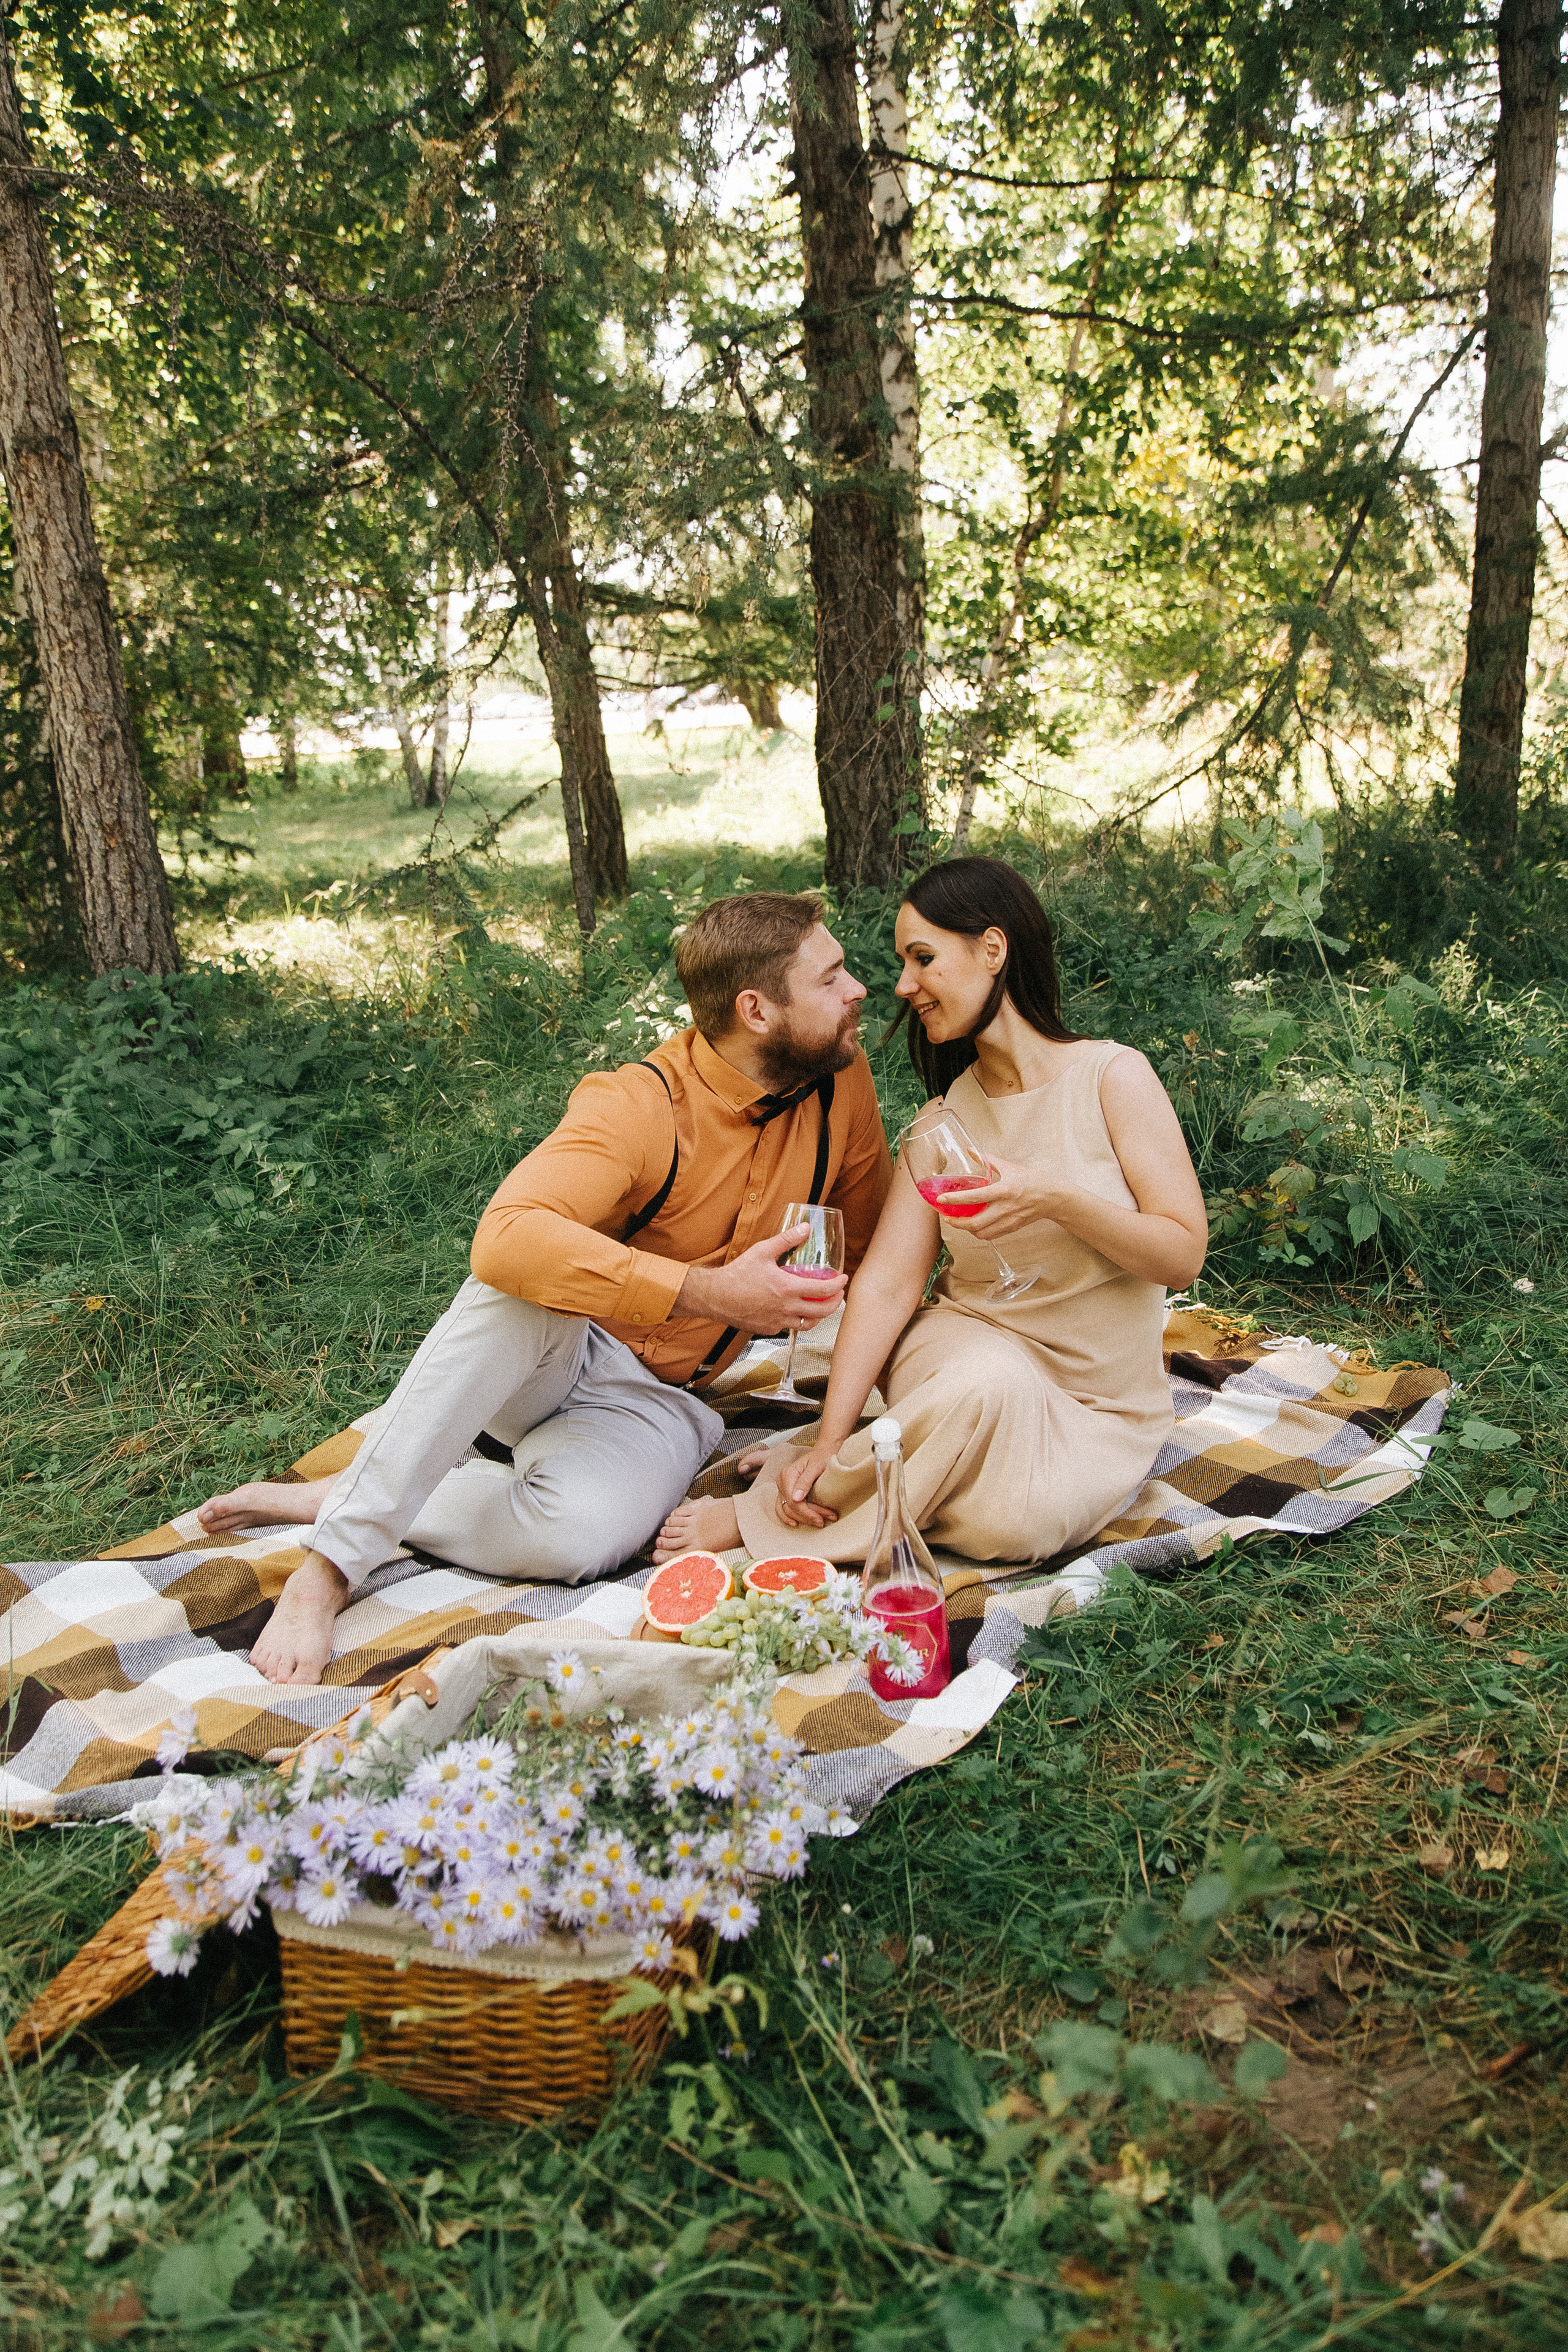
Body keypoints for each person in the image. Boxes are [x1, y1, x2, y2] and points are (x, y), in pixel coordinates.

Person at [200, 892, 892, 1683]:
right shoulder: (640, 1105)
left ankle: (354, 1494)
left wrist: (831, 1442)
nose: (858, 990)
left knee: (580, 1539)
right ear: (757, 1011)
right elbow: (503, 1236)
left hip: (662, 1398)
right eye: (832, 978)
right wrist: (709, 1294)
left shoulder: (843, 1083)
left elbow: (874, 1260)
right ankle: (328, 1568)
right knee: (512, 1289)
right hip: (561, 1349)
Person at [654, 856, 1206, 1569]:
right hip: (965, 1351)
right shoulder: (938, 1124)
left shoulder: (1112, 1077)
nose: (903, 985)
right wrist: (827, 1435)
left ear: (992, 949)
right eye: (900, 963)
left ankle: (878, 1455)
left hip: (1100, 1402)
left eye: (922, 958)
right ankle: (770, 1507)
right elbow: (886, 1288)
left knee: (1019, 1527)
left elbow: (1182, 1255)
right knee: (987, 1384)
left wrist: (1054, 1199)